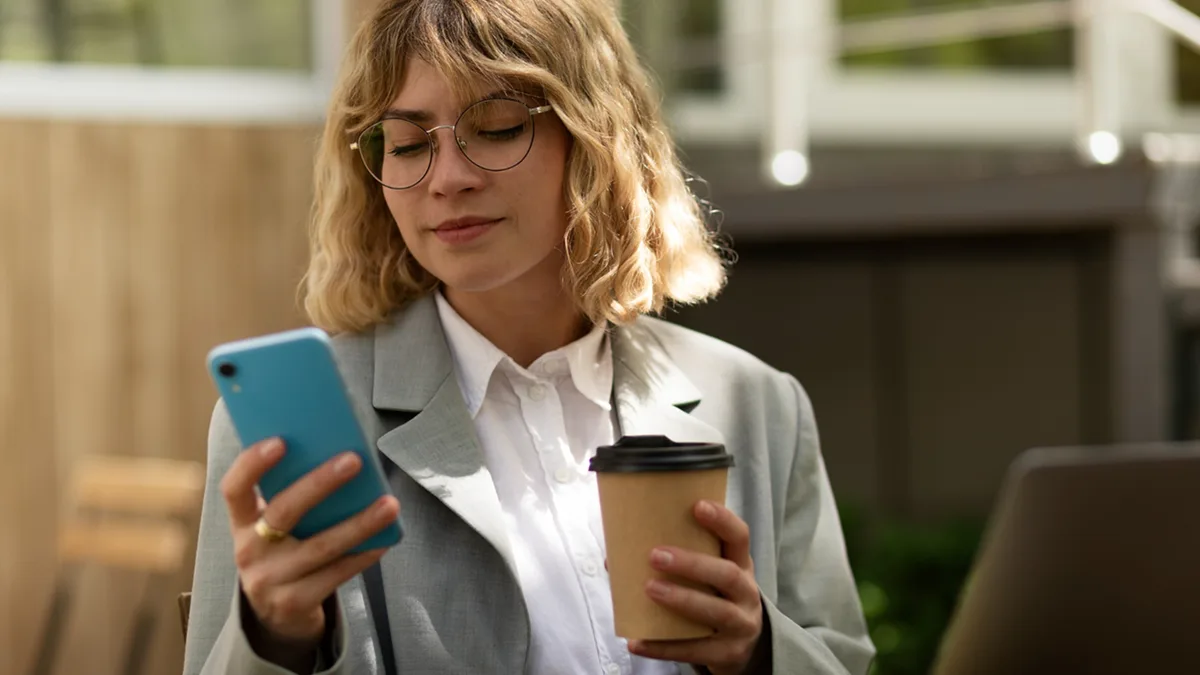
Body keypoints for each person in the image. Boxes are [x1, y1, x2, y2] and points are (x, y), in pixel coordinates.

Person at [182, 0, 874, 673]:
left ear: (597, 139)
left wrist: (756, 651)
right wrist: (274, 637)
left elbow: (840, 659)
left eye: (498, 126)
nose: (448, 178)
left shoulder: (758, 403)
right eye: (406, 143)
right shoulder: (299, 426)